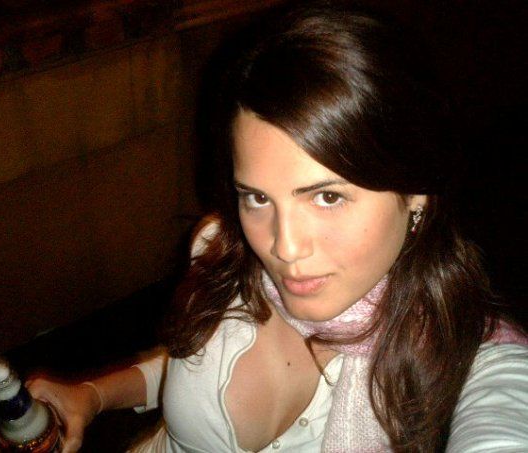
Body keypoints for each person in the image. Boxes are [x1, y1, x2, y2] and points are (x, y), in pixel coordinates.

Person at [27, 2, 528, 452]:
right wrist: (91, 395)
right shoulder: (220, 248)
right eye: (258, 197)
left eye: (328, 197)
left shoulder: (455, 348)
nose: (283, 248)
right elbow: (188, 362)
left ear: (415, 190)